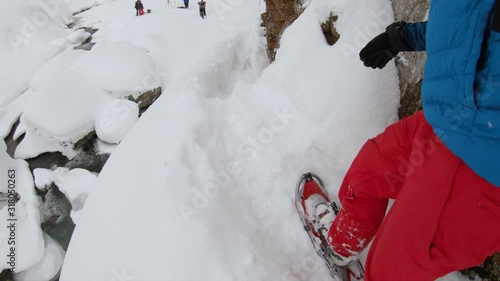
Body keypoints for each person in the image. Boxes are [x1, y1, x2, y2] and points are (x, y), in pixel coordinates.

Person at [308, 0, 500, 280]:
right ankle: (343, 243)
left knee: (390, 271)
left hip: (481, 167)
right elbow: (470, 20)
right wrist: (404, 37)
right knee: (367, 175)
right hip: (443, 120)